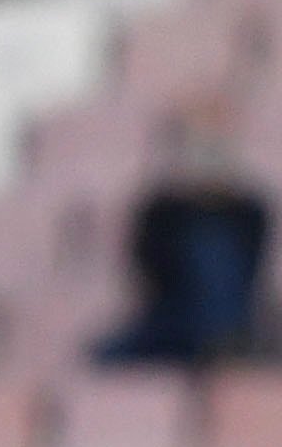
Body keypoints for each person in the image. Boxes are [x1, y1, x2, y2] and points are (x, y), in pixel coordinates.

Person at [94, 95, 272, 366]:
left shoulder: (250, 213)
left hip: (230, 330)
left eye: (217, 146)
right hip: (169, 328)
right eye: (202, 145)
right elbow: (147, 279)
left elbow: (251, 283)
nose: (209, 156)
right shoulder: (160, 212)